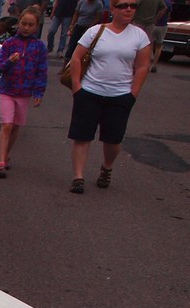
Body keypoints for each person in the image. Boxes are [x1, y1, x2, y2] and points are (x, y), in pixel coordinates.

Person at [65, 1, 151, 193]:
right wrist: (77, 87)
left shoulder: (139, 36)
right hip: (89, 92)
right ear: (112, 9)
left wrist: (133, 94)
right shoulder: (95, 31)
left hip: (120, 95)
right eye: (123, 5)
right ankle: (78, 177)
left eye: (133, 5)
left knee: (113, 140)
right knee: (82, 136)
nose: (129, 9)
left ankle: (107, 167)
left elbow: (143, 66)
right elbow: (77, 57)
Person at [0, 8, 48, 177]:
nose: (26, 28)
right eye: (23, 24)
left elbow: (41, 71)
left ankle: (6, 155)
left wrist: (38, 93)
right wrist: (9, 61)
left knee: (15, 127)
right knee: (6, 125)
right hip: (7, 90)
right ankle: (1, 162)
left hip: (24, 93)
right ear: (19, 23)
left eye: (30, 25)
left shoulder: (39, 47)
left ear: (36, 27)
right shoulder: (10, 43)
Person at [150, 0, 173, 71]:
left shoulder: (155, 2)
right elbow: (169, 14)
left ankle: (150, 59)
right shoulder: (168, 2)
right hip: (163, 25)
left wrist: (154, 20)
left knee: (150, 43)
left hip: (153, 25)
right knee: (159, 45)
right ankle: (154, 64)